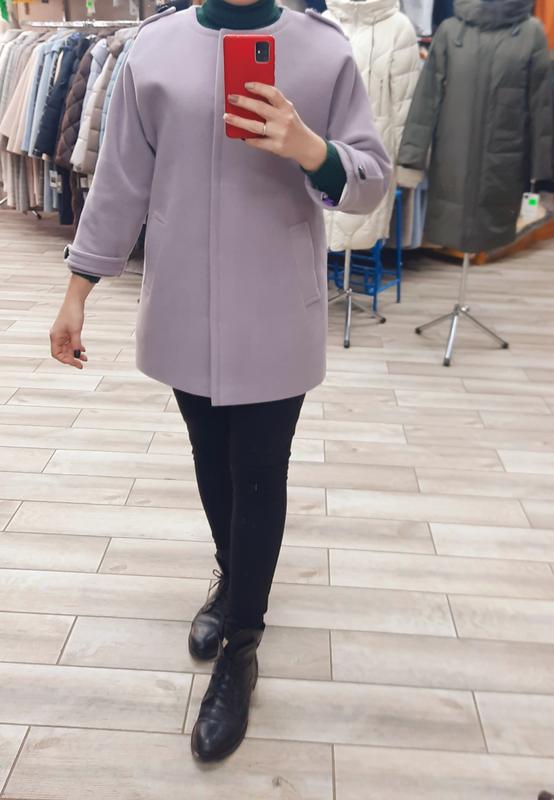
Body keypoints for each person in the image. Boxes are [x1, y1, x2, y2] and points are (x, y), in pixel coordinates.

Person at [49, 0, 391, 762]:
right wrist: (78, 290)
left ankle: (241, 646)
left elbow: (371, 181)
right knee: (212, 464)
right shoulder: (153, 50)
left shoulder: (323, 51)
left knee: (259, 472)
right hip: (185, 305)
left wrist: (310, 148)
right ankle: (236, 579)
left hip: (276, 308)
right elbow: (119, 182)